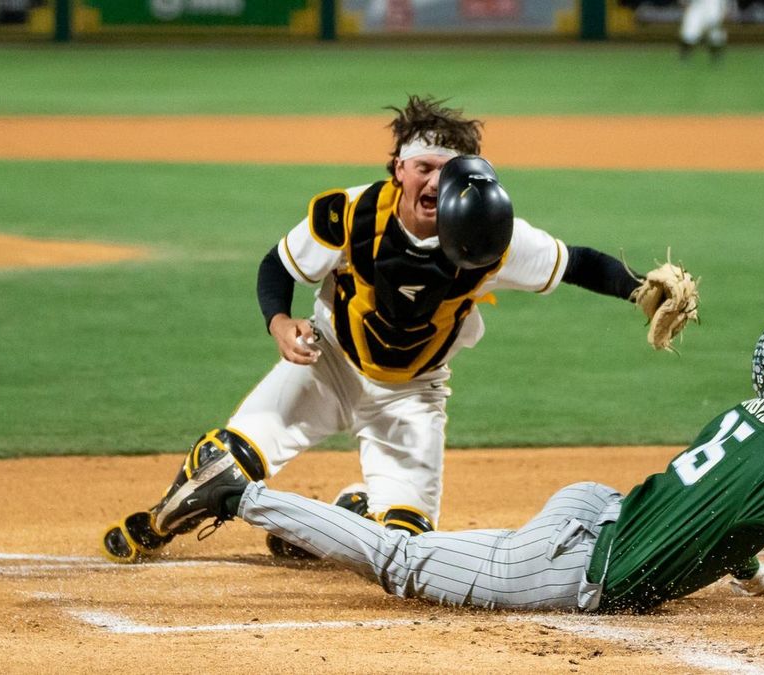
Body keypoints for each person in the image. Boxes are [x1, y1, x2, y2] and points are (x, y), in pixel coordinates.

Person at [101, 95, 704, 566]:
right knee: (225, 466)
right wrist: (280, 323)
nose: (434, 182)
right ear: (397, 169)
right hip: (328, 363)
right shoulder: (351, 213)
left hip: (413, 395)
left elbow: (577, 262)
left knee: (405, 551)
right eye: (422, 167)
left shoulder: (491, 235)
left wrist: (637, 288)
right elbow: (277, 265)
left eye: (449, 171)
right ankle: (158, 523)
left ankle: (346, 518)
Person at [139, 312, 764, 627]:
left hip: (594, 507)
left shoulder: (750, 419)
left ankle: (347, 509)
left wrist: (746, 571)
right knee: (401, 564)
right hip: (567, 563)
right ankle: (239, 489)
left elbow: (722, 501)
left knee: (414, 548)